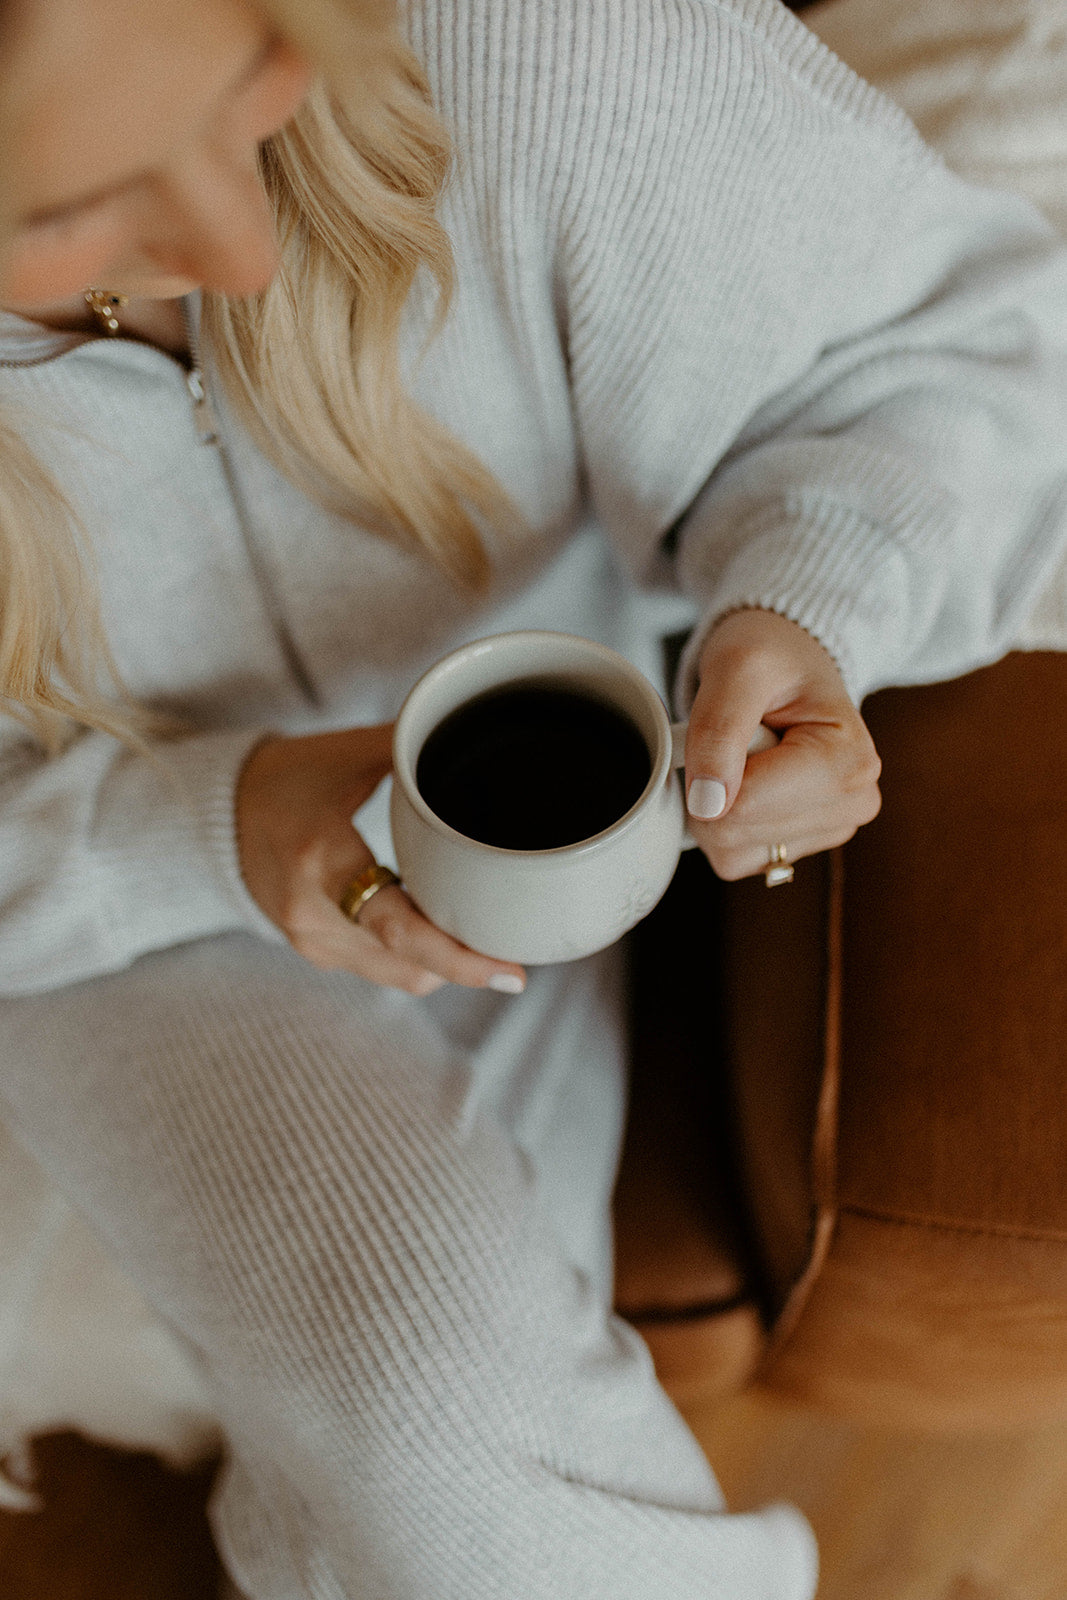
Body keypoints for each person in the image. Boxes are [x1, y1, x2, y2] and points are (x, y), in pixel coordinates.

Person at [0, 0, 1065, 1593]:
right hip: (111, 908)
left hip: (575, 773)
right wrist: (201, 834)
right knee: (422, 1434)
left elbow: (944, 358)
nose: (236, 250)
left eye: (244, 96)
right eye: (59, 209)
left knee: (425, 1462)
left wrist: (809, 597)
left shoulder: (534, 49)